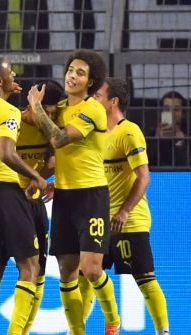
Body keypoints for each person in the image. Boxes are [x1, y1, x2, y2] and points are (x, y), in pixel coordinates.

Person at [27, 49, 121, 335]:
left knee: (91, 269)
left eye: (80, 72)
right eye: (70, 69)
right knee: (66, 272)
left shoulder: (92, 109)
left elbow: (58, 139)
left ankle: (113, 319)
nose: (72, 75)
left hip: (91, 195)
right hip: (64, 197)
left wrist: (36, 106)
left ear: (90, 82)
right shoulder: (60, 107)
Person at [0, 80, 65, 334]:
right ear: (34, 105)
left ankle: (21, 330)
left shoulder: (51, 133)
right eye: (46, 110)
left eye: (54, 113)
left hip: (32, 204)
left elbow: (56, 162)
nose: (49, 117)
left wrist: (45, 177)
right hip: (7, 200)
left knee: (39, 272)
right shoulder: (13, 121)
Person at [94, 78, 169, 335]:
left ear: (113, 101)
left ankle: (163, 332)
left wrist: (125, 210)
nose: (94, 98)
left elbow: (143, 176)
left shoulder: (129, 132)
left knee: (145, 279)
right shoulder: (93, 132)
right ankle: (104, 324)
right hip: (100, 220)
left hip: (129, 219)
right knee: (87, 274)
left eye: (99, 95)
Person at [153, 90, 189, 166]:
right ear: (161, 112)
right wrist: (157, 140)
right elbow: (149, 164)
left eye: (176, 109)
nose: (172, 113)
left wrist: (181, 142)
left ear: (183, 113)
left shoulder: (188, 134)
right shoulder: (152, 133)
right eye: (166, 109)